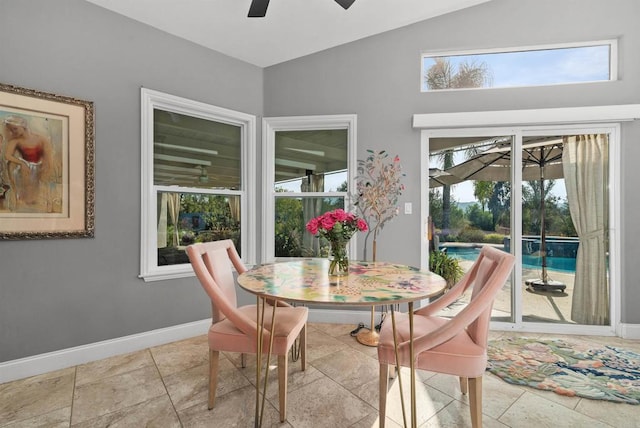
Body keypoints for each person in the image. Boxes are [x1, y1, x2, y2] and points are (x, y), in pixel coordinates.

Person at [3, 115, 55, 210]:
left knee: (37, 196)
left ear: (23, 126)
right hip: (24, 168)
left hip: (38, 167)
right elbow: (7, 155)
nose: (13, 132)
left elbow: (48, 156)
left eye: (15, 129)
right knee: (25, 198)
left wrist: (46, 166)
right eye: (11, 130)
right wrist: (21, 163)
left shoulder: (41, 139)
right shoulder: (15, 141)